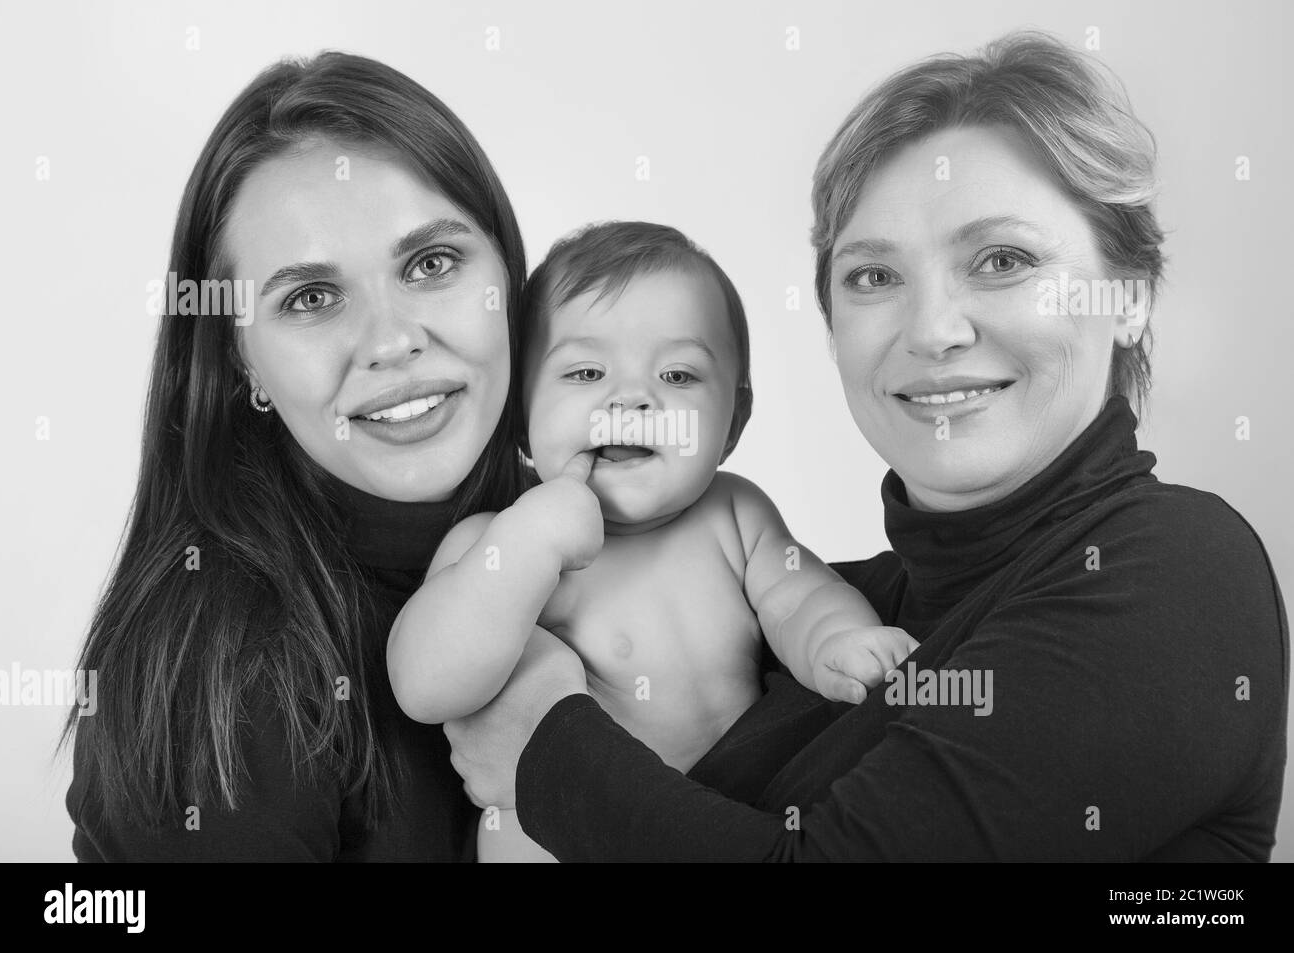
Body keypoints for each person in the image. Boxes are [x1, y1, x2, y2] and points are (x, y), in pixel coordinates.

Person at [443, 31, 1290, 861]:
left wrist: (543, 746)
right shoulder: (831, 605)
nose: (932, 330)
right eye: (875, 277)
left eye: (1002, 258)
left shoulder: (1177, 570)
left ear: (1131, 297)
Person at [63, 52, 529, 861]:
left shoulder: (611, 542)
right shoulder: (220, 669)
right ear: (242, 361)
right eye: (311, 298)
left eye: (432, 263)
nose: (391, 342)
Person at [387, 221, 918, 861]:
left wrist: (838, 642)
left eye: (678, 376)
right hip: (554, 834)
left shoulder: (735, 514)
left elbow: (798, 596)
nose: (632, 398)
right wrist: (532, 537)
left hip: (708, 825)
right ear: (519, 420)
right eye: (584, 372)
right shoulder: (494, 543)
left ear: (733, 424)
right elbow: (426, 684)